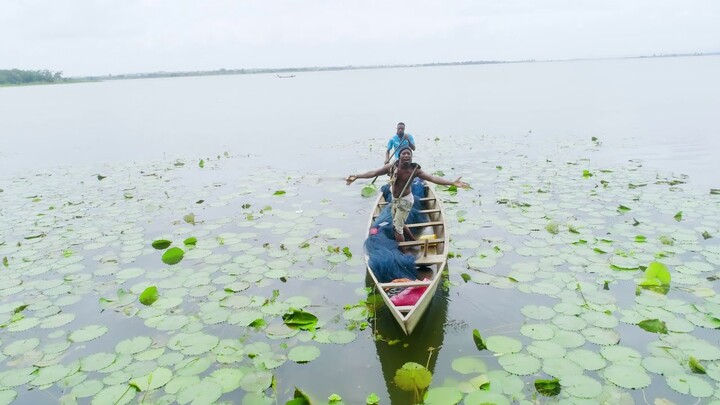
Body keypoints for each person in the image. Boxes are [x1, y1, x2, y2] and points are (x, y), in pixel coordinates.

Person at [347, 146, 469, 245]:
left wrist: (452, 182)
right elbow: (375, 172)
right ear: (399, 156)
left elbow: (432, 178)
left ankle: (404, 253)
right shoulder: (392, 167)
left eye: (408, 154)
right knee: (400, 222)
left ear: (411, 157)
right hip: (395, 199)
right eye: (403, 153)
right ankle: (413, 241)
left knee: (397, 229)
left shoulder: (414, 170)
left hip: (405, 201)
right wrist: (357, 176)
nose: (406, 155)